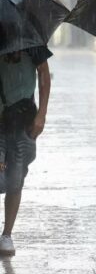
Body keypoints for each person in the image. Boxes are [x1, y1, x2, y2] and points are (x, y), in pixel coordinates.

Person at [0, 46, 52, 256]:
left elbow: (44, 74)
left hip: (23, 120)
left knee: (16, 179)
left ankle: (6, 234)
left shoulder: (30, 38)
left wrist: (42, 114)